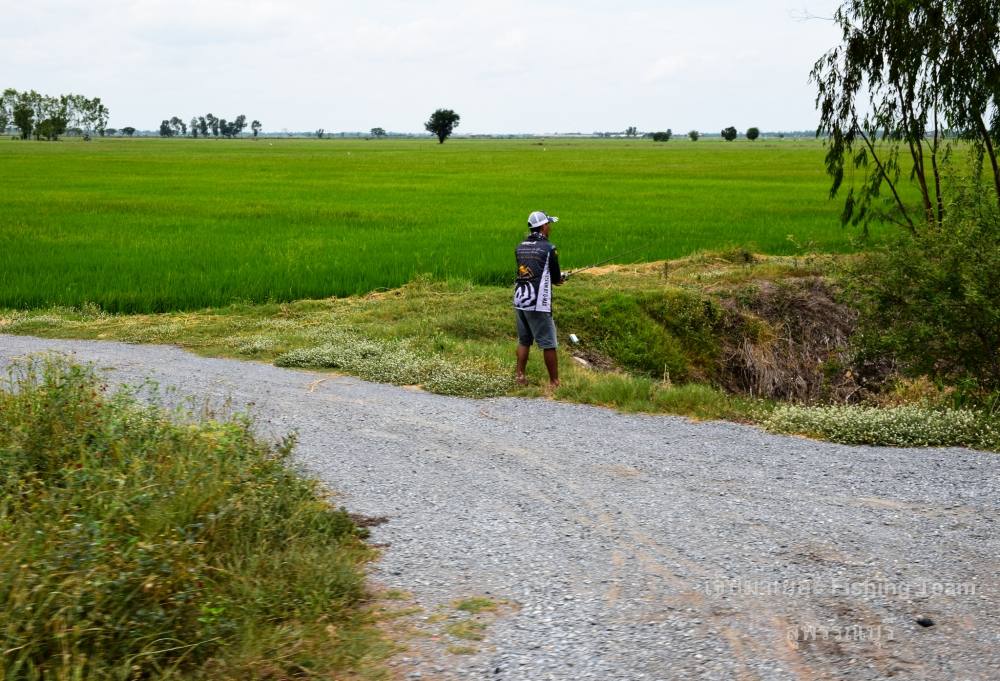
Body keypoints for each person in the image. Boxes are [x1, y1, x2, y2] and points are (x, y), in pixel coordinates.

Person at [513, 210, 566, 388]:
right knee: (548, 343)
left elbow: (529, 270)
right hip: (538, 303)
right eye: (548, 224)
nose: (550, 227)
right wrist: (561, 279)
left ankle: (519, 377)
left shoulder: (520, 246)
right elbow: (556, 278)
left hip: (520, 299)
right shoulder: (549, 248)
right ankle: (554, 382)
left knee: (524, 340)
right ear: (543, 226)